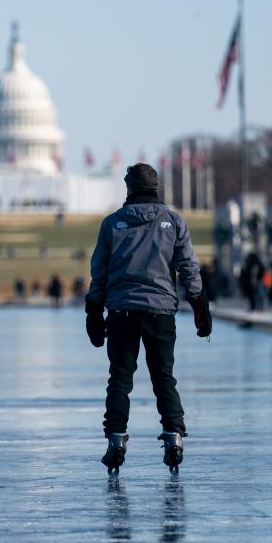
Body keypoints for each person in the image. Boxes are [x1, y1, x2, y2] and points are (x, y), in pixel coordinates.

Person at [85, 163, 210, 476]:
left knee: (120, 379)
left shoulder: (111, 224)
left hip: (122, 311)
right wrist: (199, 305)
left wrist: (93, 311)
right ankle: (174, 437)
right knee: (163, 377)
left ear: (129, 189)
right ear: (155, 188)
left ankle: (116, 441)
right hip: (160, 311)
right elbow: (189, 268)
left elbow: (99, 272)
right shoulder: (174, 221)